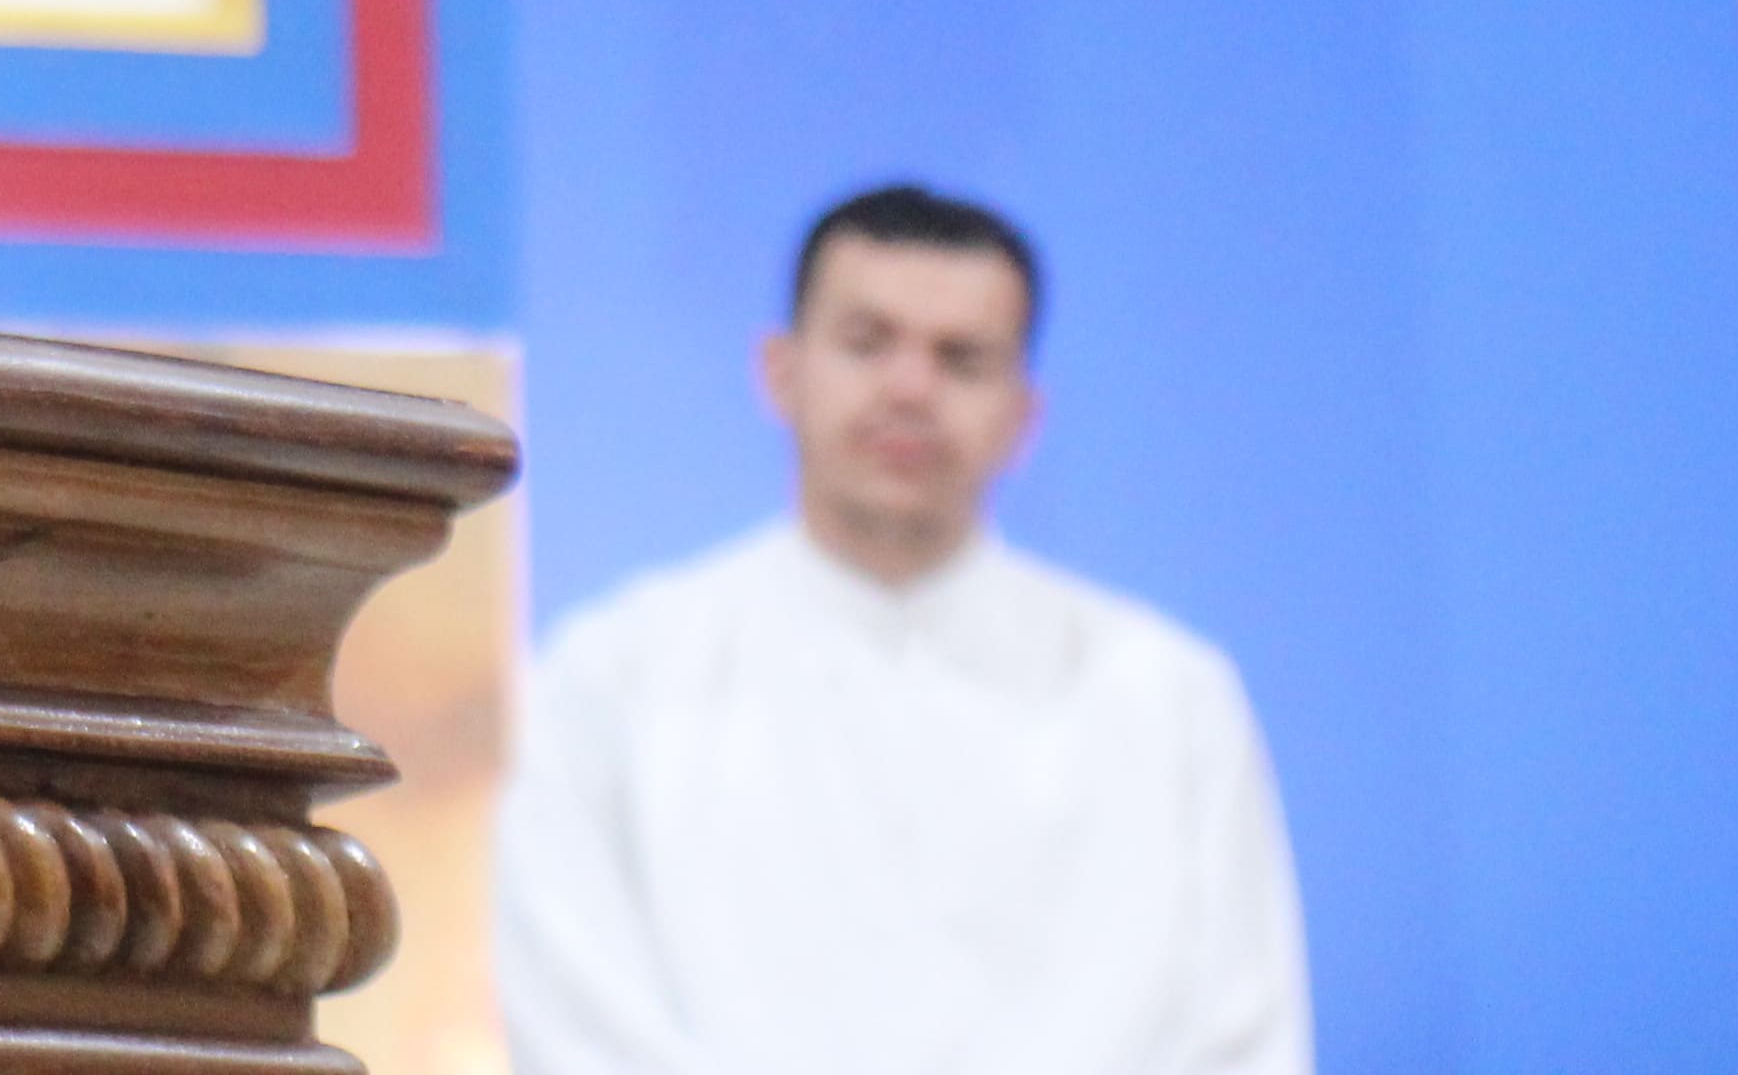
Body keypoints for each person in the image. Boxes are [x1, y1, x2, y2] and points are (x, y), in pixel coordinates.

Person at [498, 185, 1308, 1075]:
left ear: (1023, 415)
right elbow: (577, 1030)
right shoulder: (614, 676)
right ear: (780, 371)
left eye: (962, 359)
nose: (910, 389)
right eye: (866, 342)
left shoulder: (1166, 696)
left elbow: (1242, 1043)